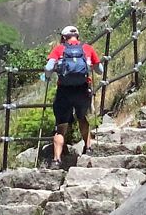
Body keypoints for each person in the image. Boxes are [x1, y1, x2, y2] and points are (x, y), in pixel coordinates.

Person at [43, 25, 102, 168]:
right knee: (82, 118)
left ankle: (57, 160)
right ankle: (88, 148)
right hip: (82, 90)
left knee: (61, 124)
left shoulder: (59, 49)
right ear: (78, 36)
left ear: (63, 37)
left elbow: (49, 68)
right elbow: (100, 70)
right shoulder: (87, 48)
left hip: (64, 91)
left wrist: (46, 75)